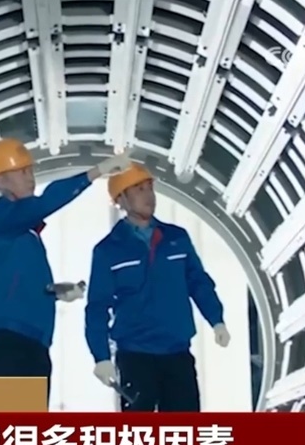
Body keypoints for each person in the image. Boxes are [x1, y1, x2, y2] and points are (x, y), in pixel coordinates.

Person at [0, 139, 134, 402]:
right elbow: (47, 201)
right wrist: (97, 171)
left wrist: (58, 291)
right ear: (1, 180)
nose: (30, 177)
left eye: (30, 170)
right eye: (22, 172)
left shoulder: (25, 233)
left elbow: (22, 281)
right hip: (9, 342)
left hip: (37, 344)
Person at [84, 162, 231, 412]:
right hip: (135, 356)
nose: (148, 196)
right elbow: (97, 307)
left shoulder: (177, 238)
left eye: (149, 188)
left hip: (177, 354)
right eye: (139, 189)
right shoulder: (108, 250)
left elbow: (198, 282)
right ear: (120, 199)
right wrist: (101, 357)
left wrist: (216, 319)